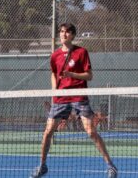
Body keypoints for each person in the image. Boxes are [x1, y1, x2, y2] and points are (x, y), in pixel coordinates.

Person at [30, 23, 118, 178]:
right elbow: (53, 73)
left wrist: (72, 75)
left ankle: (111, 166)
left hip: (79, 96)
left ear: (73, 35)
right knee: (48, 132)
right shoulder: (55, 55)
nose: (63, 34)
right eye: (61, 32)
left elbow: (89, 75)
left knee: (91, 131)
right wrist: (54, 90)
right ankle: (42, 166)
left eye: (67, 32)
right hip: (60, 98)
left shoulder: (81, 52)